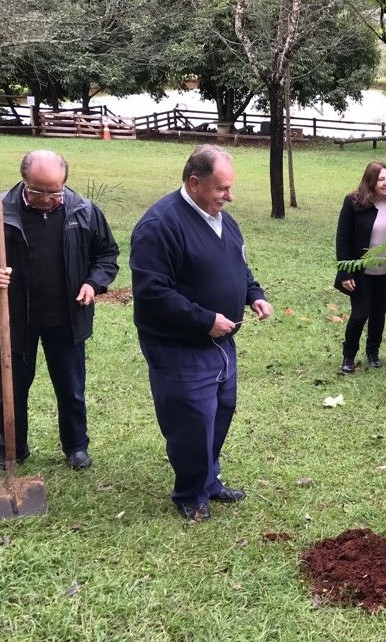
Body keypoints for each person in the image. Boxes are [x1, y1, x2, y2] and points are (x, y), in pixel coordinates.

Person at [130, 145, 273, 521]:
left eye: (230, 188)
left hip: (222, 342)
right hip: (180, 345)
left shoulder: (223, 219)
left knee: (220, 412)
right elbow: (152, 293)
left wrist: (254, 295)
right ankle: (189, 493)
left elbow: (240, 267)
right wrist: (205, 319)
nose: (230, 196)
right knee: (191, 420)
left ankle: (209, 479)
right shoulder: (160, 226)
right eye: (221, 188)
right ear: (194, 183)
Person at [0, 150, 119, 470]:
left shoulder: (84, 212)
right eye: (39, 191)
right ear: (24, 181)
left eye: (56, 191)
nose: (48, 198)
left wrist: (93, 284)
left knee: (71, 387)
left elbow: (107, 255)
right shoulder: (2, 211)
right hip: (14, 318)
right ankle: (12, 446)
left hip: (66, 318)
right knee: (10, 388)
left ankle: (75, 446)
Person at [334, 161, 386, 373]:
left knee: (378, 314)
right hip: (361, 272)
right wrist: (345, 271)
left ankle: (373, 352)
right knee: (359, 314)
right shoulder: (353, 202)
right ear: (371, 182)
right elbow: (343, 238)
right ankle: (348, 355)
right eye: (381, 179)